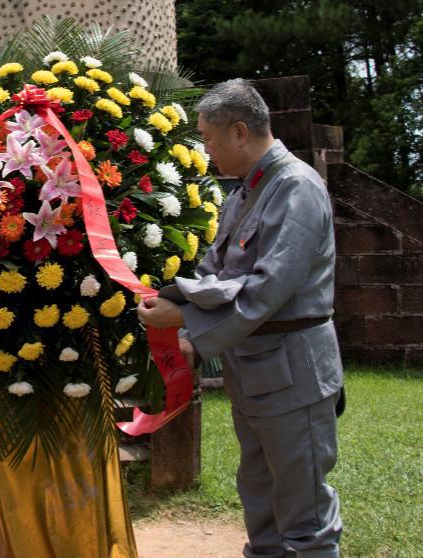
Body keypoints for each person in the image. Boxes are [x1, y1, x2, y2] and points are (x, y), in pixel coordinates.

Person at [139, 79, 343, 558]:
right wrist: (177, 311)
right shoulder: (246, 193)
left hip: (293, 370)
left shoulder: (295, 187)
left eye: (208, 139)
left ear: (238, 131)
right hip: (255, 368)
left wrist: (190, 325)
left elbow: (267, 289)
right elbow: (217, 271)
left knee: (304, 515)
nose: (206, 151)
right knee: (262, 501)